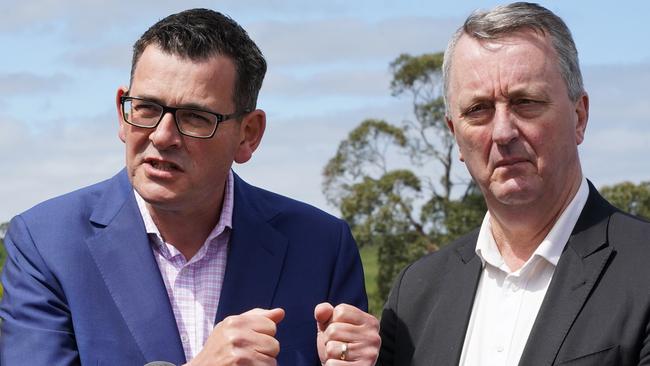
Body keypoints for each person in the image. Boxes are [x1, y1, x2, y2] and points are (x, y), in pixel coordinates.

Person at [0, 9, 379, 366]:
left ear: (248, 135)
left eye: (195, 117)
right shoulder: (47, 244)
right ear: (122, 111)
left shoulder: (321, 246)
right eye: (146, 108)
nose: (163, 136)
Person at [376, 2, 650, 365]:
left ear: (579, 116)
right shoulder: (415, 296)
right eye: (478, 110)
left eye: (525, 102)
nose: (503, 132)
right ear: (455, 136)